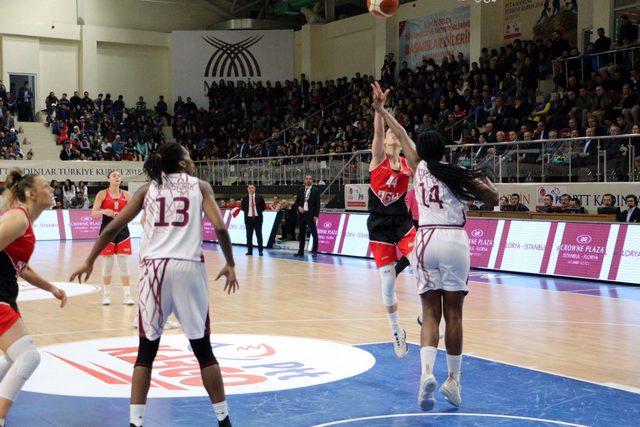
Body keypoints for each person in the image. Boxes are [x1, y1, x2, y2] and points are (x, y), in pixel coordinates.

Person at [70, 142, 238, 427]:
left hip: (153, 270)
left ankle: (136, 423)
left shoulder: (147, 190)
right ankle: (224, 420)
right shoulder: (200, 186)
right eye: (189, 154)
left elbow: (112, 228)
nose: (191, 157)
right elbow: (221, 228)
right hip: (188, 267)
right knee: (204, 350)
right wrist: (230, 263)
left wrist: (89, 260)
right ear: (183, 163)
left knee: (145, 353)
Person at [371, 81, 498, 410]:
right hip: (454, 240)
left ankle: (426, 372)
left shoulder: (420, 167)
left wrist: (382, 109)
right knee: (453, 313)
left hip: (426, 239)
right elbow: (492, 197)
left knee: (430, 312)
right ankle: (453, 381)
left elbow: (400, 134)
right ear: (444, 149)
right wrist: (483, 182)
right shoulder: (457, 172)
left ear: (422, 151)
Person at [0, 169, 67, 425]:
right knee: (28, 357)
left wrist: (51, 287)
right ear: (30, 193)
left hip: (7, 292)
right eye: (46, 186)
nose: (51, 189)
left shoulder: (24, 220)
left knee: (10, 356)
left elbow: (22, 267)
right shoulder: (18, 218)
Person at [366, 84, 419, 359]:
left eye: (392, 135)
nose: (390, 138)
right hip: (379, 225)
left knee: (420, 259)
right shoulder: (376, 161)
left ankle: (426, 313)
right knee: (387, 283)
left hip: (401, 220)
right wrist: (378, 111)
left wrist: (388, 116)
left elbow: (404, 135)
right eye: (387, 136)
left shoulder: (408, 166)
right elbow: (377, 132)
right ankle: (396, 330)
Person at [91, 171, 133, 306]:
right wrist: (104, 211)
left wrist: (123, 214)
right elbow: (94, 214)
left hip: (123, 231)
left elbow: (134, 212)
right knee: (107, 265)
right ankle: (106, 295)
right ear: (108, 179)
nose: (117, 178)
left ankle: (127, 296)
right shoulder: (102, 194)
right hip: (107, 232)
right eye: (114, 176)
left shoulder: (126, 195)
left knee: (124, 264)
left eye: (119, 176)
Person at [295, 175, 320, 257]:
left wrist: (316, 215)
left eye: (310, 179)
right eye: (307, 179)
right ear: (304, 180)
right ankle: (300, 251)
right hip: (302, 214)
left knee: (314, 233)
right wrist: (299, 207)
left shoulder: (315, 190)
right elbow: (297, 202)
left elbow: (317, 204)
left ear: (312, 180)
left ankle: (315, 251)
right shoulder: (301, 189)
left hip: (311, 214)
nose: (309, 180)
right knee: (301, 233)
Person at [241, 183, 265, 256]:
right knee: (248, 236)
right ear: (247, 189)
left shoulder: (260, 197)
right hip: (248, 219)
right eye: (249, 188)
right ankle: (249, 251)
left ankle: (260, 251)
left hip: (257, 219)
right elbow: (243, 208)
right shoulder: (244, 198)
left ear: (255, 189)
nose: (251, 189)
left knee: (259, 235)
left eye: (252, 188)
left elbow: (263, 207)